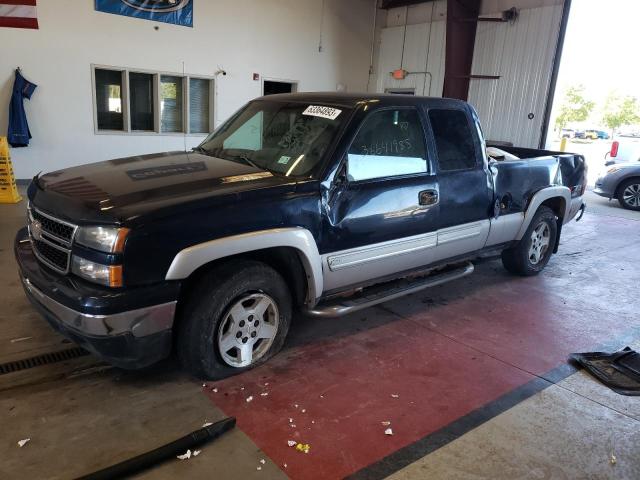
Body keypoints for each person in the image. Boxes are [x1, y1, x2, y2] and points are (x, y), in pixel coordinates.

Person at [8, 69, 37, 148]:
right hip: (17, 102)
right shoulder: (18, 85)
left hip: (17, 100)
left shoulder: (18, 84)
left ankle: (19, 138)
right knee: (18, 114)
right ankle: (20, 138)